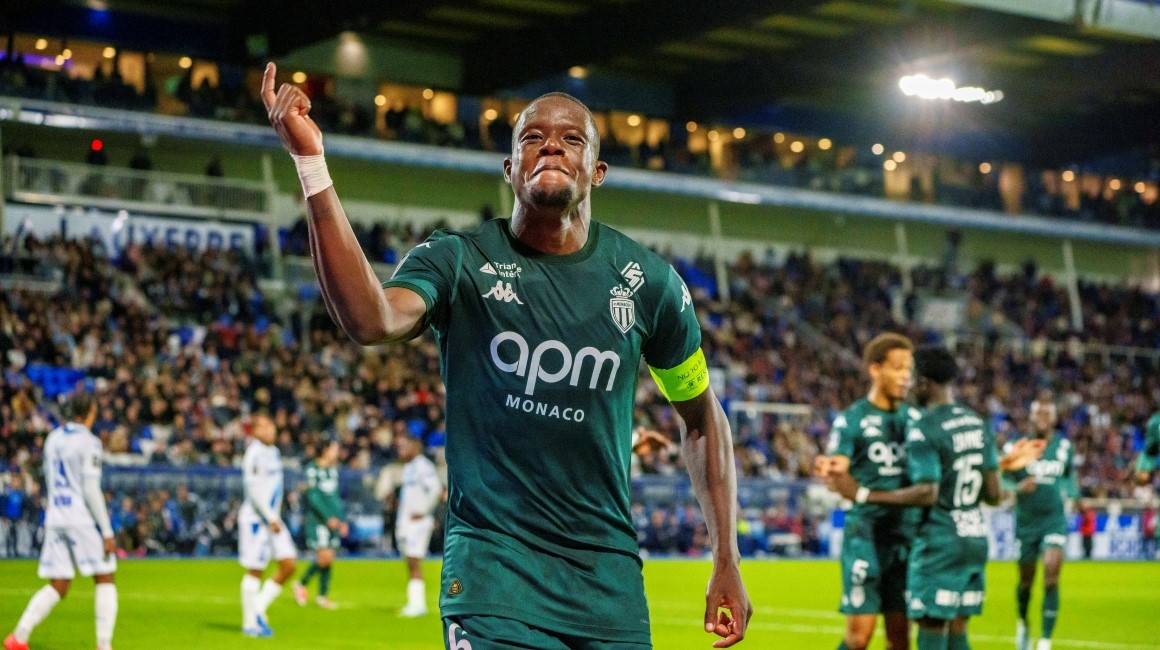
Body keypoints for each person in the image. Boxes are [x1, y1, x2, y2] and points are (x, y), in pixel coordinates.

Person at [262, 62, 751, 648]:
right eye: (531, 137)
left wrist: (727, 556)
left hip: (609, 584)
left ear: (597, 171)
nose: (551, 146)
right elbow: (371, 318)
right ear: (509, 169)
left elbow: (702, 416)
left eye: (572, 139)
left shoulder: (649, 283)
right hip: (493, 575)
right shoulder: (457, 258)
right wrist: (311, 165)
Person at [830, 346, 1003, 650]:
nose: (907, 381)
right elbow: (993, 494)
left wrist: (866, 494)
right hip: (973, 537)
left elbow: (927, 491)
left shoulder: (925, 424)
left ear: (923, 382)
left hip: (937, 540)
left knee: (929, 626)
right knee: (957, 628)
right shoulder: (977, 421)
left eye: (911, 375)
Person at [815, 332, 914, 650]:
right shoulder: (852, 420)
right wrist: (832, 469)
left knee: (900, 638)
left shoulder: (914, 420)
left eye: (909, 370)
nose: (906, 377)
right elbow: (838, 467)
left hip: (905, 536)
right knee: (859, 637)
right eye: (898, 368)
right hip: (866, 536)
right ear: (875, 369)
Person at [4, 392, 118, 650]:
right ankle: (104, 646)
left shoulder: (53, 438)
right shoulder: (90, 443)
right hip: (78, 516)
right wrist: (107, 530)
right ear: (90, 411)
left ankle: (18, 637)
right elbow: (91, 489)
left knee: (59, 584)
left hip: (55, 516)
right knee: (105, 576)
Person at [1000, 392, 1077, 650]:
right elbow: (998, 478)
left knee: (1052, 577)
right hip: (1026, 523)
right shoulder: (1016, 448)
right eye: (1038, 413)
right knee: (1026, 582)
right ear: (1030, 417)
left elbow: (1069, 476)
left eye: (1048, 414)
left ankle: (1044, 640)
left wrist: (1074, 495)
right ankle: (1023, 622)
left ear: (1055, 418)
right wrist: (1017, 487)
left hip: (1053, 520)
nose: (1043, 418)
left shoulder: (1064, 448)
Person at [238, 411, 296, 638]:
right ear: (254, 431)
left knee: (289, 564)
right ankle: (249, 623)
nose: (268, 430)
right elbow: (253, 489)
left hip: (273, 519)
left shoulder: (274, 452)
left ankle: (258, 607)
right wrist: (270, 516)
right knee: (255, 570)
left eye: (270, 425)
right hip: (257, 519)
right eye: (262, 427)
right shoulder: (253, 453)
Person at [293, 437, 347, 609]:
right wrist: (326, 517)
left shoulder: (333, 471)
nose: (336, 453)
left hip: (334, 521)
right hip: (318, 520)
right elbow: (313, 497)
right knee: (324, 557)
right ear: (325, 450)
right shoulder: (312, 470)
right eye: (334, 448)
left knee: (329, 557)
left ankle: (322, 596)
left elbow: (336, 499)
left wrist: (342, 520)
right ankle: (301, 583)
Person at [393, 431, 442, 617]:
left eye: (404, 446)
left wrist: (424, 511)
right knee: (409, 561)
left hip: (418, 523)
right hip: (407, 522)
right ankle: (413, 602)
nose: (401, 450)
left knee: (414, 561)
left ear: (415, 447)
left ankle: (417, 604)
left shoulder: (423, 466)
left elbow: (436, 489)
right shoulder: (409, 467)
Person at [1134, 411, 1160, 486]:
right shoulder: (1148, 468)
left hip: (1151, 448)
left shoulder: (1141, 467)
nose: (1147, 478)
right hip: (1152, 449)